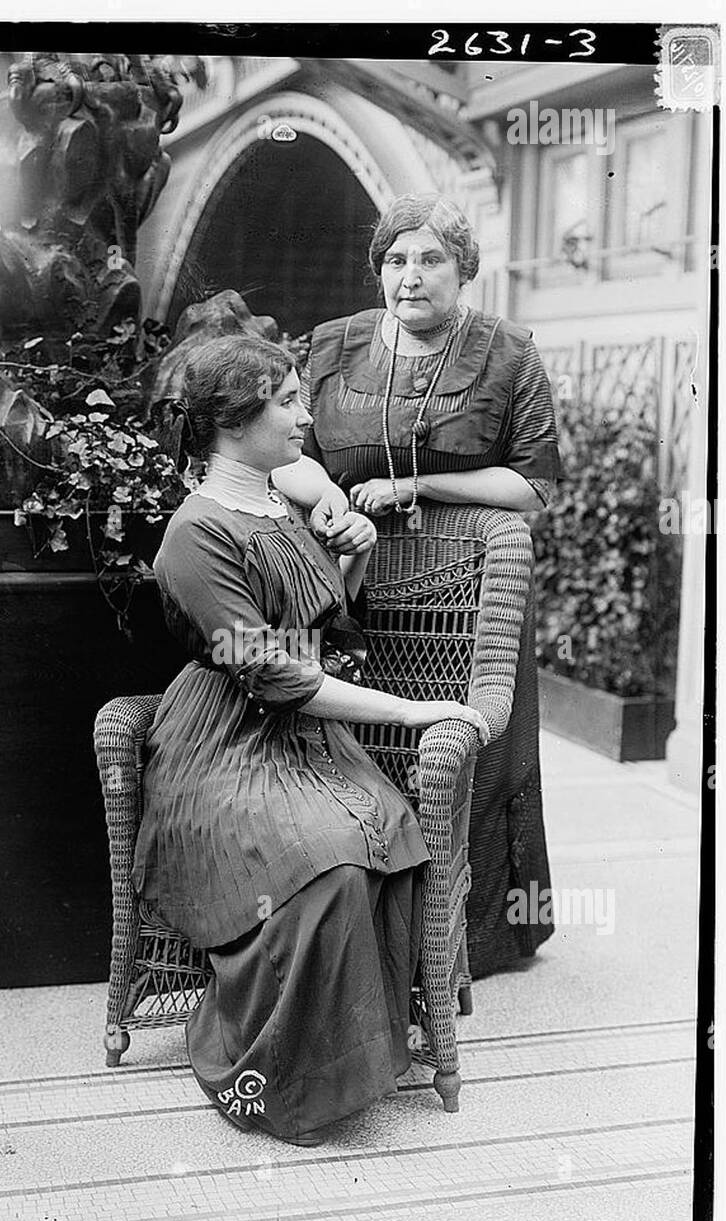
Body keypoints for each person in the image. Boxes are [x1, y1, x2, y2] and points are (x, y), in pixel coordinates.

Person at [131, 336, 488, 1146]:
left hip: (306, 741)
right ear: (231, 421)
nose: (304, 415)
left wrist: (348, 562)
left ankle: (356, 1055)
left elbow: (318, 630)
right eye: (286, 401)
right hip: (222, 745)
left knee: (388, 839)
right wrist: (408, 712)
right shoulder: (195, 534)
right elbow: (271, 672)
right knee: (324, 866)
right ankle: (278, 1070)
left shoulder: (275, 506)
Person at [277, 192, 561, 980]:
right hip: (349, 584)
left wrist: (423, 489)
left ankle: (466, 940)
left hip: (473, 595)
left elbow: (533, 487)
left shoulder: (508, 352)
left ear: (462, 270)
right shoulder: (333, 346)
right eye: (396, 260)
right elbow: (284, 448)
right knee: (358, 744)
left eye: (430, 259)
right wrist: (324, 495)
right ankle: (363, 920)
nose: (410, 276)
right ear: (377, 270)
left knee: (467, 756)